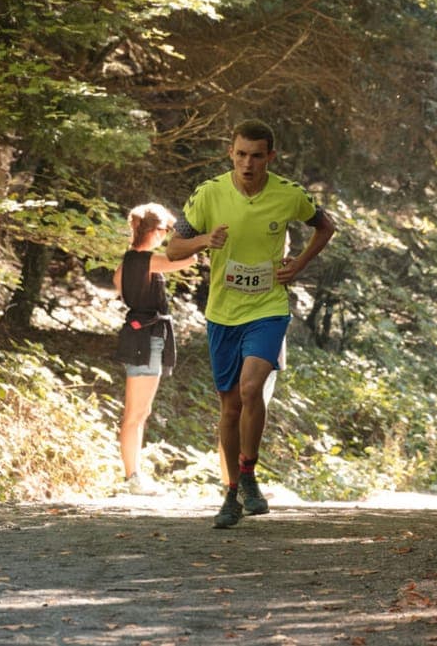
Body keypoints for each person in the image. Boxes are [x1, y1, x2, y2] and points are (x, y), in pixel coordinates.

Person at [166, 120, 336, 527]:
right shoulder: (209, 194)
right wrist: (204, 241)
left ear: (269, 157)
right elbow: (173, 249)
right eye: (241, 154)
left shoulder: (288, 194)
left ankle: (248, 473)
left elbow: (325, 225)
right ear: (231, 153)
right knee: (229, 407)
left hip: (268, 308)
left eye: (256, 155)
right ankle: (230, 495)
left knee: (251, 387)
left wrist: (299, 263)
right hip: (223, 313)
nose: (247, 163)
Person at [113, 203, 196, 495]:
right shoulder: (149, 260)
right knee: (135, 413)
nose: (166, 235)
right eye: (165, 230)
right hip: (147, 339)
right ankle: (132, 477)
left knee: (139, 411)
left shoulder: (126, 263)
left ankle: (134, 475)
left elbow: (119, 286)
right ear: (154, 230)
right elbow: (189, 258)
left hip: (136, 336)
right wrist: (189, 234)